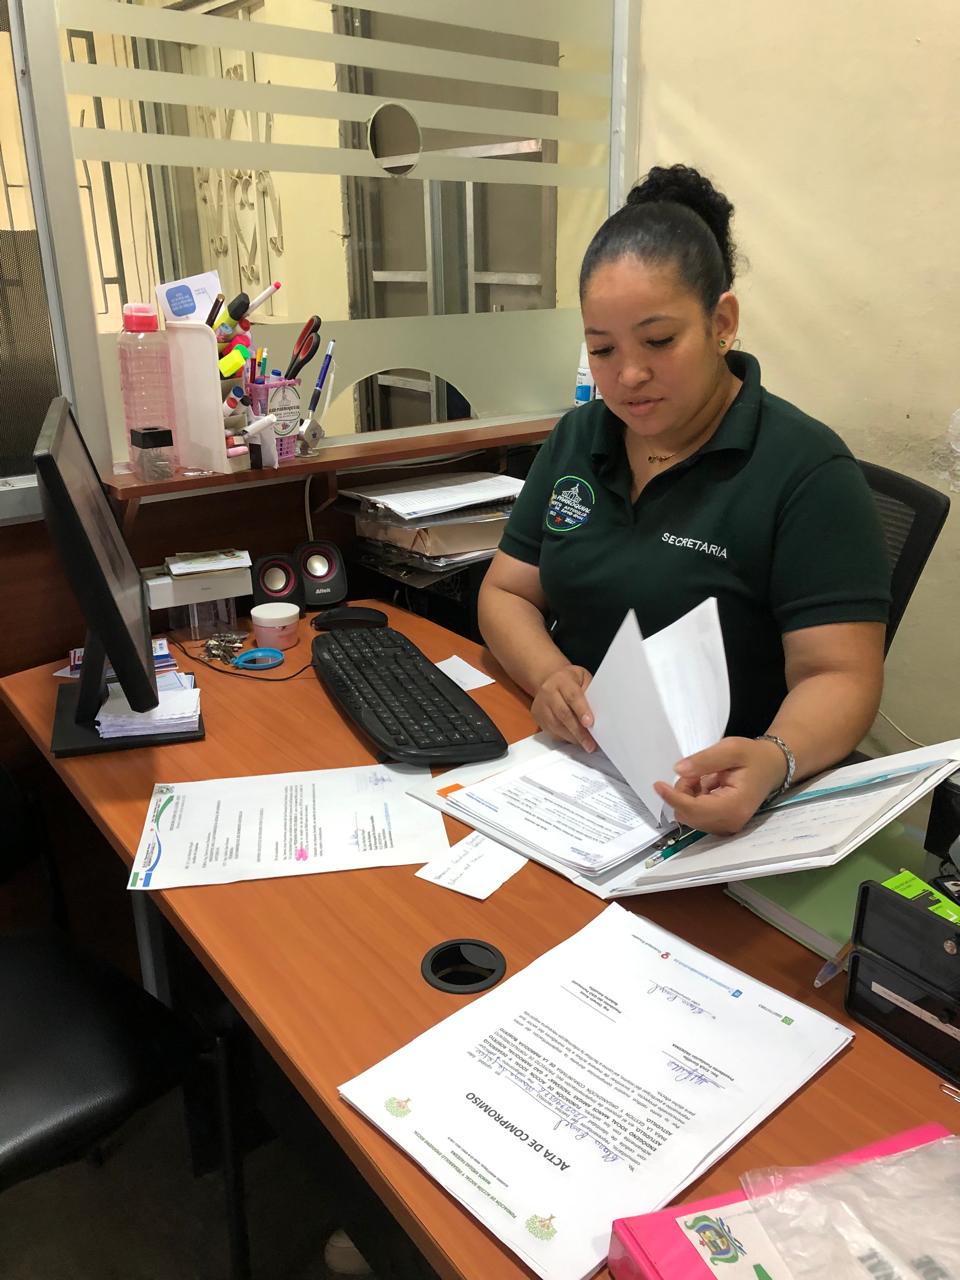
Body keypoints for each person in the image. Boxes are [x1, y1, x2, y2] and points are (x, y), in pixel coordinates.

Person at [478, 164, 891, 835]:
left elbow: (841, 675)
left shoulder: (806, 470)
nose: (629, 375)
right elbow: (505, 592)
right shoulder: (580, 437)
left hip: (722, 799)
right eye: (602, 349)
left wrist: (773, 759)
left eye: (659, 341)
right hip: (579, 778)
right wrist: (549, 675)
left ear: (721, 322)